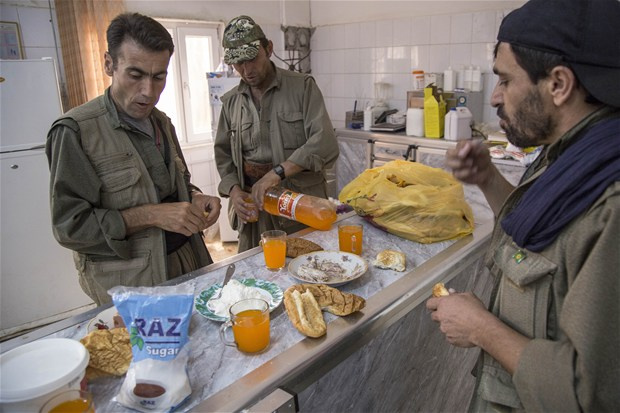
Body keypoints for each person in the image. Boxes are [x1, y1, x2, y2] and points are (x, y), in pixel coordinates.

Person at [426, 0, 619, 411]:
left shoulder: (609, 200)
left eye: (505, 80)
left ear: (559, 84)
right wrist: (488, 180)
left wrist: (482, 329)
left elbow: (589, 395)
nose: (494, 97)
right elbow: (537, 251)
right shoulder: (573, 154)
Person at [46, 13, 220, 306]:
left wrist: (196, 197)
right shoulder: (76, 131)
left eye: (159, 76)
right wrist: (151, 215)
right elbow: (70, 228)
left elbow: (178, 185)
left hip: (188, 264)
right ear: (108, 64)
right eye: (136, 75)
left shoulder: (162, 123)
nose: (148, 92)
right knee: (144, 352)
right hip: (131, 284)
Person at [214, 15, 339, 252]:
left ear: (268, 48)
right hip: (254, 212)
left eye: (252, 59)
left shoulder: (302, 87)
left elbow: (325, 143)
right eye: (238, 63)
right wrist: (234, 191)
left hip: (298, 207)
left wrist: (276, 173)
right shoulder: (231, 102)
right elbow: (223, 156)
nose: (246, 70)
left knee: (307, 274)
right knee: (254, 277)